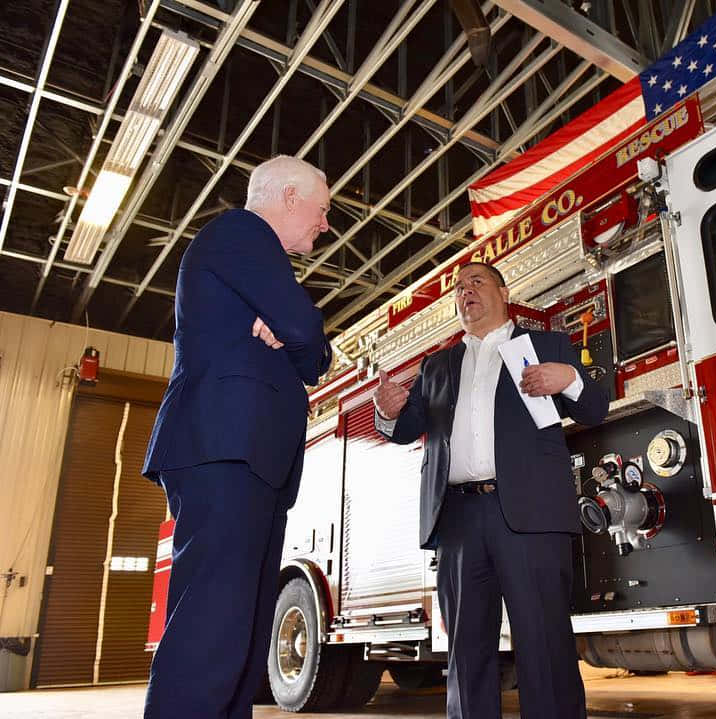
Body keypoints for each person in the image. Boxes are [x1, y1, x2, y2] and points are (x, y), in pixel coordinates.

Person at [373, 261, 609, 719]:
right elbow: (405, 428)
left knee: (543, 641)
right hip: (459, 521)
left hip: (531, 517)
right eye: (458, 289)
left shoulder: (545, 346)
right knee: (466, 649)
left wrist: (571, 380)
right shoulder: (438, 365)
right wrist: (386, 413)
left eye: (475, 282)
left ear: (504, 291)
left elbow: (595, 409)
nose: (465, 293)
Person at [142, 155, 332, 719]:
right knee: (212, 628)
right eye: (321, 211)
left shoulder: (259, 264)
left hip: (252, 459)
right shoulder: (239, 232)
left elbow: (313, 354)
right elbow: (307, 334)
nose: (325, 225)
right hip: (225, 449)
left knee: (242, 639)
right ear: (289, 197)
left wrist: (297, 333)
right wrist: (295, 329)